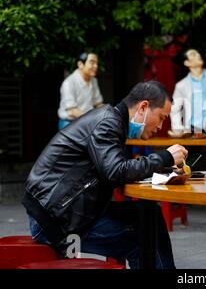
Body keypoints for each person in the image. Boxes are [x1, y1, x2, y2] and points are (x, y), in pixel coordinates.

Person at [22, 81, 188, 269]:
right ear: (143, 107)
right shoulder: (107, 123)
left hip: (69, 211)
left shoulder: (112, 120)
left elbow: (117, 168)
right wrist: (165, 157)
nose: (160, 126)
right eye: (161, 118)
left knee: (150, 214)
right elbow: (116, 172)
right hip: (56, 223)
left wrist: (166, 170)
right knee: (145, 233)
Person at [170, 48, 206, 136]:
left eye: (198, 53)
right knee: (193, 150)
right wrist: (178, 129)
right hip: (195, 127)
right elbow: (175, 110)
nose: (198, 55)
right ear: (187, 63)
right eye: (193, 54)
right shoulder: (181, 85)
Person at [57, 52, 104, 130]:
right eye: (92, 63)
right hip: (70, 123)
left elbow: (98, 104)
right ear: (80, 64)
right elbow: (73, 110)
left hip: (87, 121)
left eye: (96, 63)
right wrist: (93, 120)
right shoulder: (69, 82)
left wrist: (109, 113)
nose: (96, 66)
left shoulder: (93, 81)